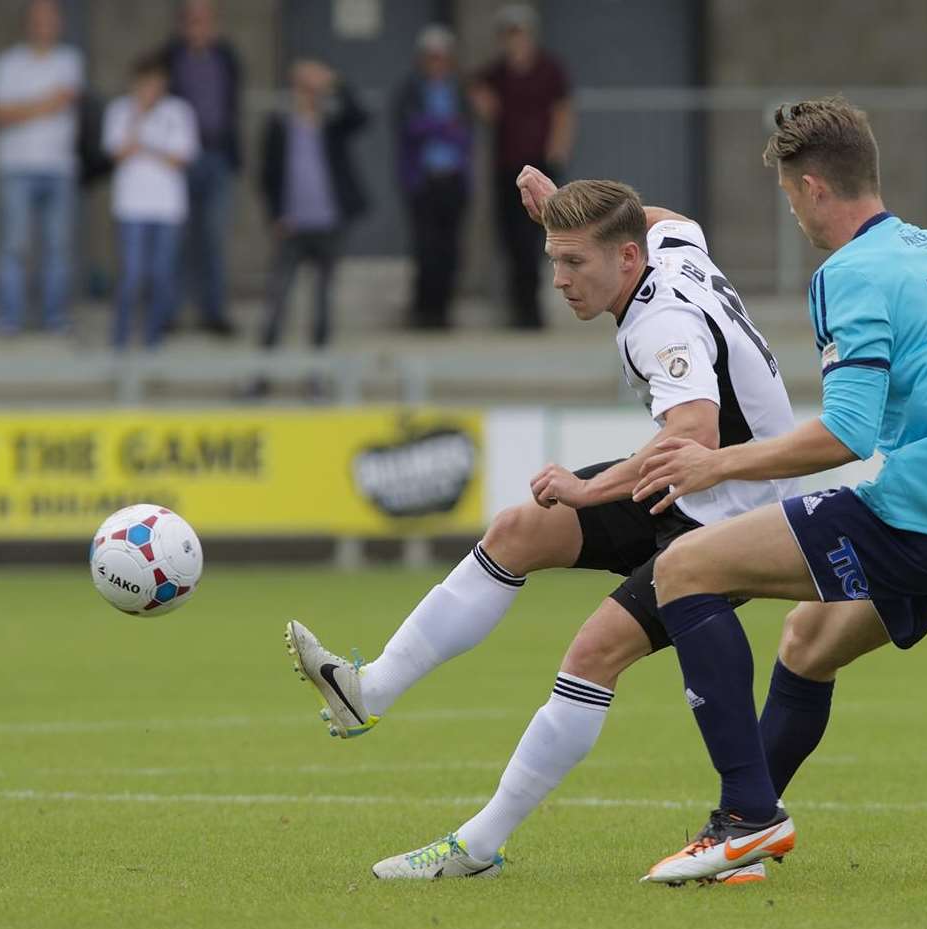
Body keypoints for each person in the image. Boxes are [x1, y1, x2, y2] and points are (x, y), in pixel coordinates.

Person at [284, 168, 797, 881]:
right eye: (553, 257)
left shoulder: (662, 325)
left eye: (572, 261)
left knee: (590, 655)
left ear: (624, 257)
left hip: (733, 508)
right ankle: (367, 690)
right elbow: (665, 212)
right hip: (689, 488)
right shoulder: (668, 245)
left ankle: (478, 847)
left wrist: (590, 495)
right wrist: (568, 212)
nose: (558, 278)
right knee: (519, 529)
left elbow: (696, 433)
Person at [629, 97, 927, 884]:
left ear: (811, 187)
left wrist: (714, 465)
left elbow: (845, 435)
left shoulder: (847, 272)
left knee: (683, 570)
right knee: (807, 643)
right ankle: (739, 845)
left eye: (784, 195)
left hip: (923, 511)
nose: (790, 213)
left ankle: (747, 821)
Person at [253, 59, 368, 387]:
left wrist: (335, 80)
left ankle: (316, 377)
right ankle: (261, 375)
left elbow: (361, 116)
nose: (308, 94)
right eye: (303, 88)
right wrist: (275, 215)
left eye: (313, 89)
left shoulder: (332, 123)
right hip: (292, 228)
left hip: (329, 225)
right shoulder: (279, 125)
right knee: (276, 303)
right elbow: (267, 176)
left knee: (322, 307)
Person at [470, 5, 573, 329]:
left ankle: (533, 311)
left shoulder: (549, 69)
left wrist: (557, 149)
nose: (515, 41)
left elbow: (563, 111)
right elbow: (473, 84)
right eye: (509, 35)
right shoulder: (497, 72)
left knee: (539, 237)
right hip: (508, 166)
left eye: (520, 34)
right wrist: (484, 103)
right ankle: (520, 308)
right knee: (512, 239)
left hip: (540, 164)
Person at [0, 0, 84, 336]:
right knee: (13, 245)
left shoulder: (70, 61)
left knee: (57, 247)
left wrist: (24, 108)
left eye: (51, 19)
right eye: (39, 19)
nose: (45, 25)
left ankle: (54, 318)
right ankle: (8, 318)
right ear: (29, 23)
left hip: (59, 167)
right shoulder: (7, 63)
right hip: (16, 166)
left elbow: (67, 101)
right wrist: (47, 104)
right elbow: (0, 113)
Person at [103, 54, 199, 349]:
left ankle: (153, 342)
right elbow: (117, 152)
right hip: (131, 206)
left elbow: (181, 157)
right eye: (144, 85)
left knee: (161, 278)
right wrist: (138, 119)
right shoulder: (120, 110)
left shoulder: (179, 111)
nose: (150, 91)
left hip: (167, 208)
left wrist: (146, 148)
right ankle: (119, 342)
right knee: (131, 276)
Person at [164, 0, 241, 336]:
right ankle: (171, 311)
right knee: (177, 239)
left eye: (205, 19)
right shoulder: (169, 58)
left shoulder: (227, 58)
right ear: (183, 24)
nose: (199, 26)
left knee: (212, 237)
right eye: (193, 19)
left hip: (218, 156)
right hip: (180, 160)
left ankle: (213, 310)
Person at [393, 25, 473, 330]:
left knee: (449, 249)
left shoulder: (458, 90)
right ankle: (423, 309)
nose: (437, 63)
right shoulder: (411, 89)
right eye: (431, 57)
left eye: (442, 57)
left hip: (452, 179)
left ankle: (443, 309)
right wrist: (442, 126)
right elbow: (409, 128)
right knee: (424, 247)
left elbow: (465, 133)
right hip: (423, 181)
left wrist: (435, 127)